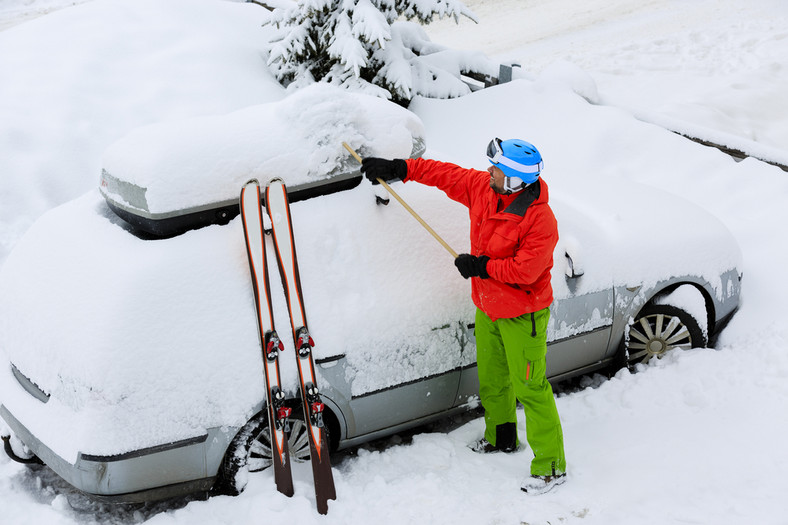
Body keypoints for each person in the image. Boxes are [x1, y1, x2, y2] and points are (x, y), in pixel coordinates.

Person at [360, 138, 566, 495]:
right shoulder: (485, 190)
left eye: (497, 170)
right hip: (488, 308)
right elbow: (446, 174)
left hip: (524, 315)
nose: (489, 172)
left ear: (516, 181)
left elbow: (526, 271)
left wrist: (481, 267)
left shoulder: (540, 219)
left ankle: (550, 467)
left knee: (531, 389)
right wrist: (400, 168)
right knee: (492, 380)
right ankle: (501, 438)